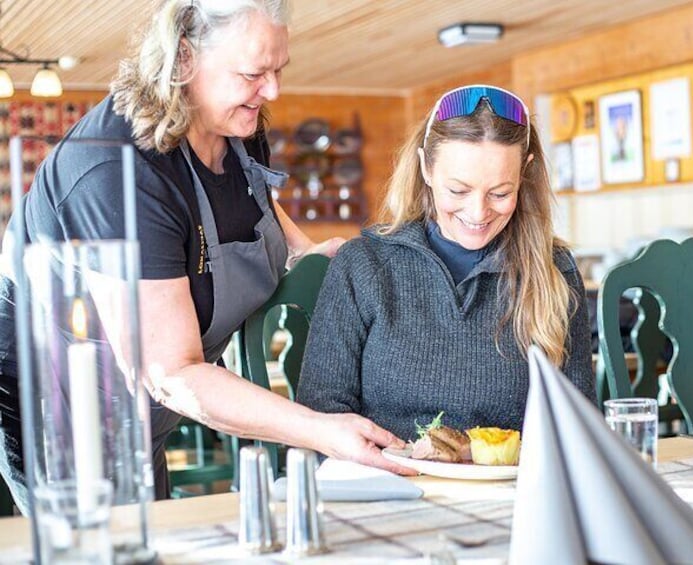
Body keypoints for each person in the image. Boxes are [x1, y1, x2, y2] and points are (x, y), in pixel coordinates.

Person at [0, 0, 412, 513]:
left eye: (278, 70)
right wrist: (320, 431)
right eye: (253, 73)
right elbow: (171, 371)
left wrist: (305, 252)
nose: (273, 91)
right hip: (66, 411)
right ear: (184, 59)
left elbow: (251, 205)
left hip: (147, 412)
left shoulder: (237, 128)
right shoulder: (116, 169)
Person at [297, 85, 595, 441]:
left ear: (525, 175)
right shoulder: (363, 266)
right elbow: (320, 418)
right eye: (458, 190)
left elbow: (580, 424)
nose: (478, 212)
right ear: (426, 168)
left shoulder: (553, 270)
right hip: (389, 486)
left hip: (512, 491)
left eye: (500, 193)